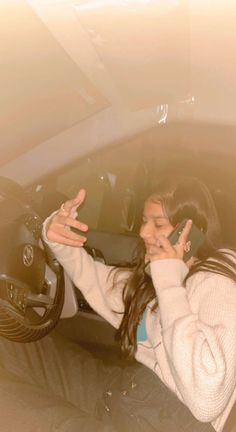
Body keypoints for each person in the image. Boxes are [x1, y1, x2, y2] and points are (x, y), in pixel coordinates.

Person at [9, 175, 235, 432]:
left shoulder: (216, 285)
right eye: (144, 220)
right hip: (130, 392)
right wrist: (58, 240)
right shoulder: (154, 279)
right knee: (16, 346)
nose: (143, 232)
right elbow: (98, 280)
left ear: (192, 233)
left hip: (167, 421)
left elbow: (206, 400)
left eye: (158, 224)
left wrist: (169, 282)